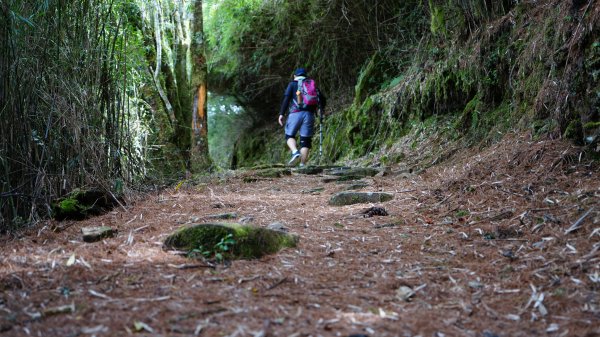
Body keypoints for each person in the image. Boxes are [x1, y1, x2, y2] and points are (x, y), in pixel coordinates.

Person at [278, 68, 326, 167]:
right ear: (305, 75)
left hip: (295, 113)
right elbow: (322, 99)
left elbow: (286, 99)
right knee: (306, 141)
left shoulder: (292, 84)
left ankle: (295, 152)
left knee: (289, 136)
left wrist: (281, 114)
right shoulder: (311, 84)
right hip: (309, 115)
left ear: (295, 76)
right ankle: (302, 165)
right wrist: (321, 111)